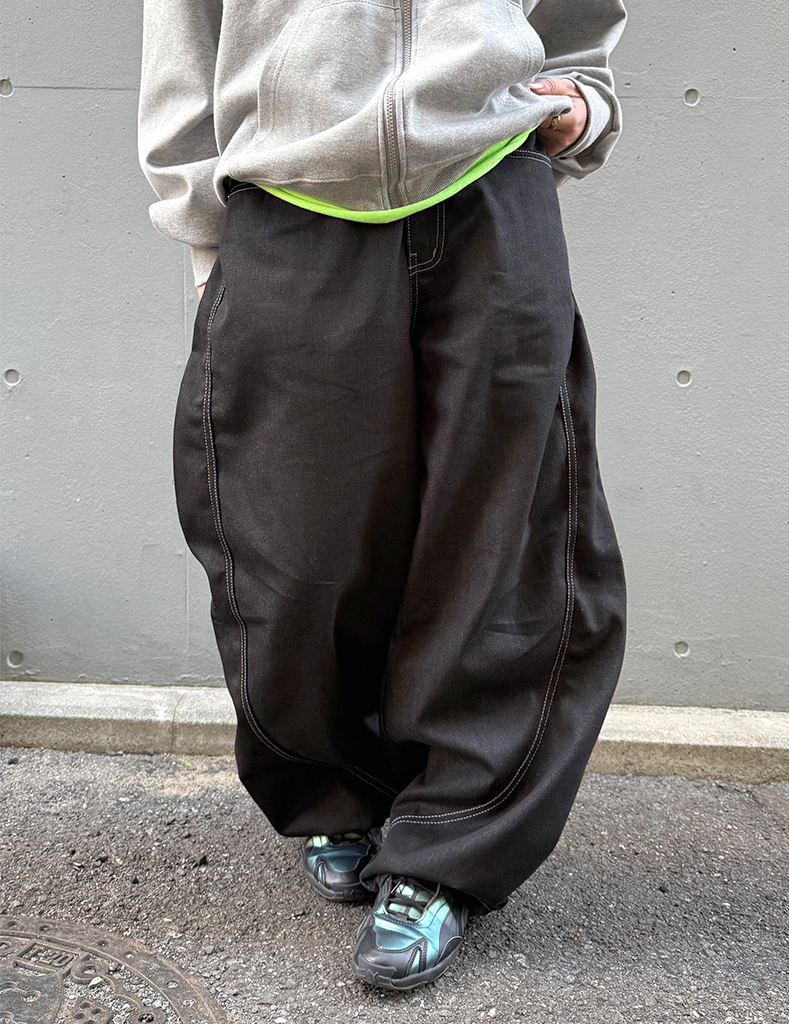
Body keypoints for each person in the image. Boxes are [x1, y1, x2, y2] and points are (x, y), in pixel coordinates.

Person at [137, 0, 628, 992]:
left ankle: (447, 848)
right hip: (290, 203)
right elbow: (183, 39)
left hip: (491, 187)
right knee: (292, 551)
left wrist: (587, 98)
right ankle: (335, 791)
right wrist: (207, 242)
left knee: (498, 547)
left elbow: (579, 20)